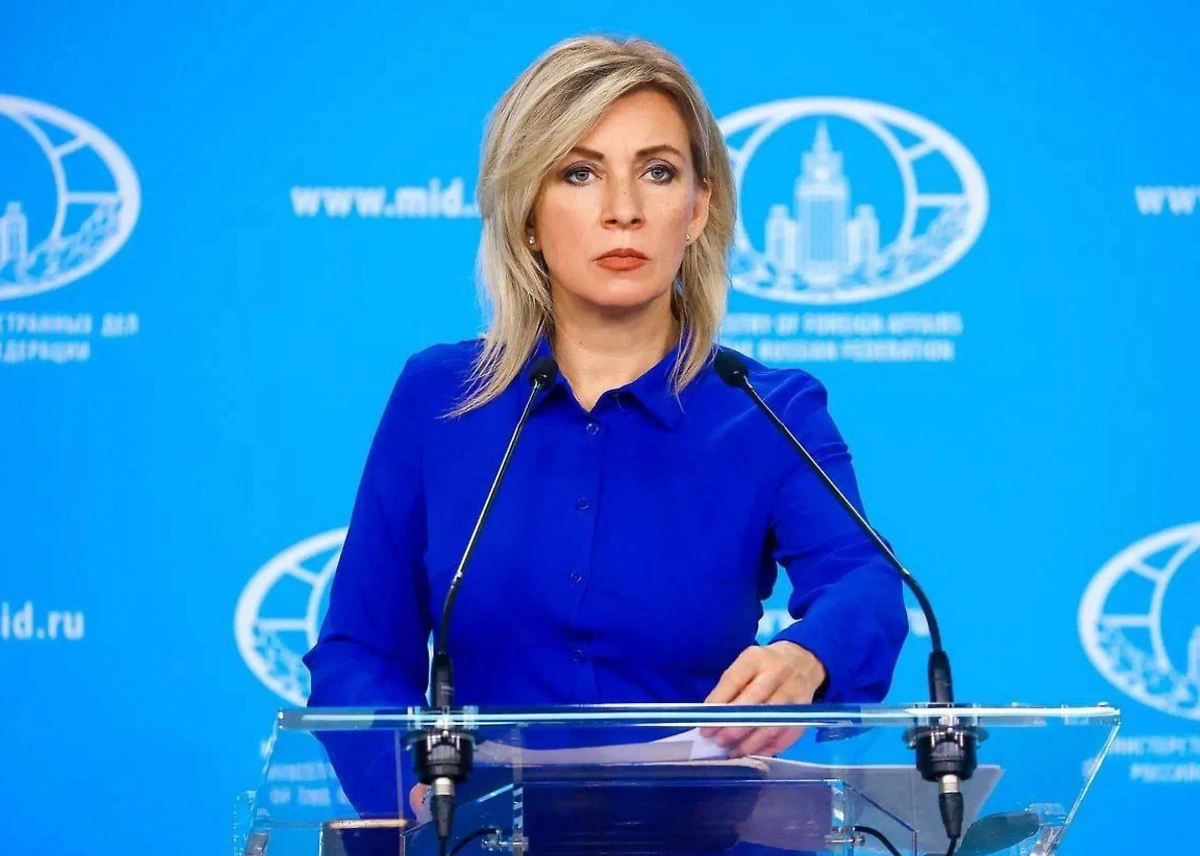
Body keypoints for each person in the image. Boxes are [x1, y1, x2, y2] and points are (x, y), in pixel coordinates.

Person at [303, 34, 908, 819]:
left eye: (657, 172)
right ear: (527, 213)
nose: (624, 209)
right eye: (580, 173)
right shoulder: (439, 398)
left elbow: (864, 583)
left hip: (703, 836)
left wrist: (806, 655)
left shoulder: (767, 410)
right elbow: (359, 651)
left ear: (697, 209)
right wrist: (418, 796)